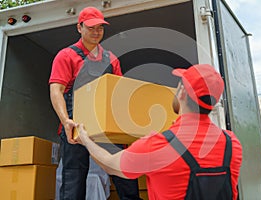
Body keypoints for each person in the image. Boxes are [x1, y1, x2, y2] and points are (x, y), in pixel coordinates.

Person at [76, 64, 243, 200]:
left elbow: (109, 164)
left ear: (182, 93)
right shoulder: (232, 144)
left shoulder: (159, 145)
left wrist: (85, 139)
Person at [49, 6, 141, 200]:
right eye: (91, 27)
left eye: (100, 27)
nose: (96, 32)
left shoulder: (111, 59)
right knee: (73, 180)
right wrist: (66, 121)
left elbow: (119, 93)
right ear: (79, 28)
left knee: (125, 175)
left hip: (107, 126)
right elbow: (56, 90)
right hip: (76, 127)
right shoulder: (67, 56)